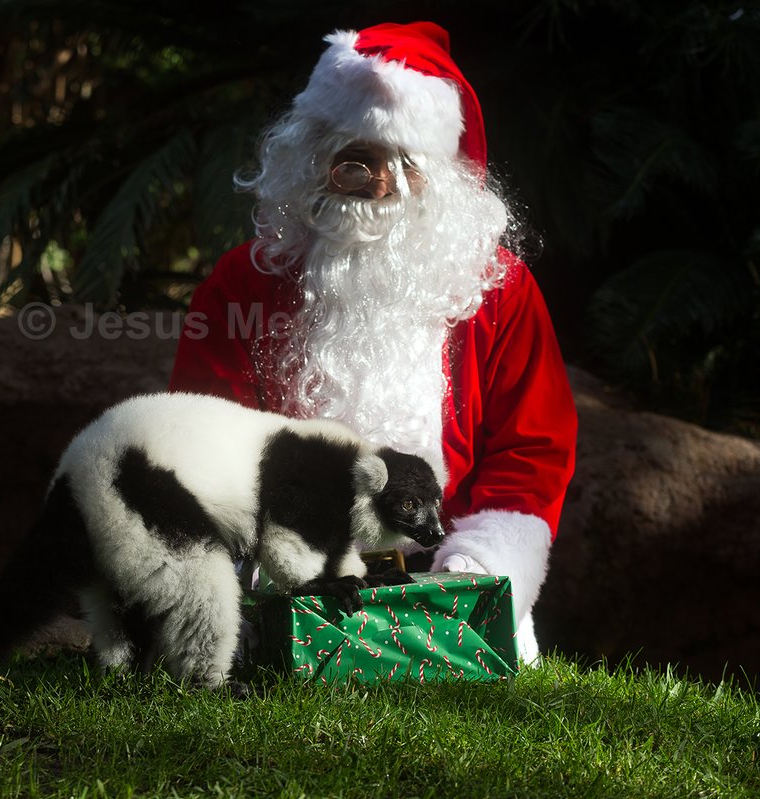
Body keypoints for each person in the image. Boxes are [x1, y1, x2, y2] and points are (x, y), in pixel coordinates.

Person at [168, 21, 577, 663]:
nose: (379, 184)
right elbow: (200, 438)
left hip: (456, 583)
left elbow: (533, 448)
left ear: (438, 179)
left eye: (404, 164)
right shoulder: (243, 283)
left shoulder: (499, 289)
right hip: (279, 584)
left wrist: (476, 564)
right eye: (356, 160)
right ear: (311, 157)